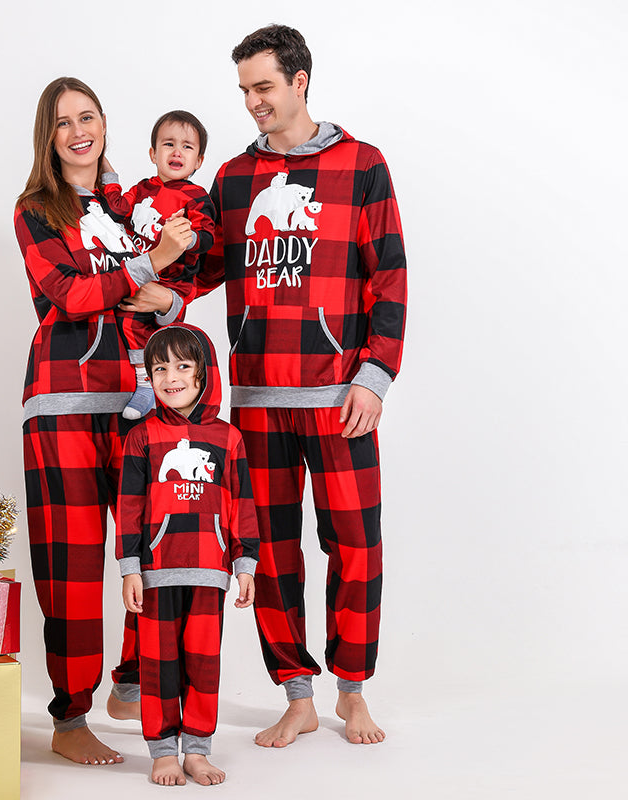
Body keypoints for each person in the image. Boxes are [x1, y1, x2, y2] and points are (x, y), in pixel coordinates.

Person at [195, 25, 407, 748]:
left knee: (356, 545)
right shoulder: (231, 178)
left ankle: (354, 692)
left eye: (264, 86)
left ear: (300, 81)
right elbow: (201, 272)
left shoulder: (363, 165)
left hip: (340, 397)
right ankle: (297, 693)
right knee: (272, 549)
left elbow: (390, 278)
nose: (254, 102)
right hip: (256, 403)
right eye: (245, 90)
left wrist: (375, 376)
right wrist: (148, 272)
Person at [15, 76, 193, 766]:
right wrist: (146, 274)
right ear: (49, 137)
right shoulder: (36, 208)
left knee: (152, 549)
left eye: (87, 117)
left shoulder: (132, 204)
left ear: (104, 122)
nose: (78, 131)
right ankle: (69, 717)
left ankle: (128, 678)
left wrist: (157, 291)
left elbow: (174, 297)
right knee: (72, 565)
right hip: (62, 405)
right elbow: (65, 293)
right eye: (63, 123)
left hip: (141, 399)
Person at [116, 324, 259, 785]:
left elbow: (241, 503)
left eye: (183, 365)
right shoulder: (142, 437)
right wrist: (130, 568)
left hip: (209, 571)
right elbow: (130, 506)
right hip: (157, 570)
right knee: (159, 666)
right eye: (160, 367)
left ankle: (197, 749)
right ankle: (162, 751)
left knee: (202, 663)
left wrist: (244, 564)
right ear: (149, 377)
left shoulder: (229, 438)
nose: (171, 376)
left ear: (203, 375)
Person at [102, 110, 216, 421]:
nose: (177, 151)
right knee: (125, 323)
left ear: (199, 161)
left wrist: (186, 238)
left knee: (155, 334)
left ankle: (147, 385)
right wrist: (107, 174)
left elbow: (207, 237)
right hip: (140, 272)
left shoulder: (196, 197)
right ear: (153, 153)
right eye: (168, 144)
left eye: (187, 147)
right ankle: (143, 382)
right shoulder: (142, 189)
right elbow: (117, 209)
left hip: (172, 281)